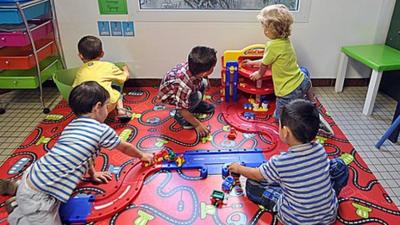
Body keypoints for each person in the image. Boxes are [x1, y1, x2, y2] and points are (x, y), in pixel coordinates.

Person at [8, 81, 154, 225]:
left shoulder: (72, 125)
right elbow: (125, 147)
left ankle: (20, 200)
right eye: (107, 105)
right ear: (98, 107)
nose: (108, 110)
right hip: (40, 197)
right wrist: (142, 155)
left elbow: (84, 155)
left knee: (31, 201)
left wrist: (92, 173)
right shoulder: (101, 130)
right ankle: (20, 212)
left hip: (34, 175)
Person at [228, 99, 348, 225]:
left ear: (285, 132)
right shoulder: (320, 149)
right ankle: (323, 198)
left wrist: (239, 168)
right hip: (328, 216)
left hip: (295, 219)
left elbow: (257, 174)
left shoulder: (281, 162)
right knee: (339, 165)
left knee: (252, 184)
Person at [244, 4, 316, 120]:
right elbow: (269, 59)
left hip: (288, 91)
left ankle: (307, 117)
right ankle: (312, 103)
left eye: (264, 26)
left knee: (279, 117)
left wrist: (259, 74)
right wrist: (251, 63)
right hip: (303, 80)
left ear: (270, 29)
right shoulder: (285, 40)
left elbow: (265, 64)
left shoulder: (271, 45)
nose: (264, 29)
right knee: (304, 74)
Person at [158, 46, 217, 137]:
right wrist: (198, 125)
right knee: (197, 96)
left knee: (203, 83)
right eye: (212, 68)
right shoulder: (184, 84)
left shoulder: (195, 68)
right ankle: (180, 117)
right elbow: (182, 109)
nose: (213, 68)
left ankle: (196, 105)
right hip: (172, 95)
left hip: (184, 89)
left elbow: (202, 76)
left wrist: (207, 80)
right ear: (205, 72)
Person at [73, 35, 131, 122]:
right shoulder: (108, 66)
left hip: (85, 108)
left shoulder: (80, 71)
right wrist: (125, 70)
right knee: (117, 88)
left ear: (80, 56)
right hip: (106, 105)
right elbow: (123, 78)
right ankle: (121, 109)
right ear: (102, 53)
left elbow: (75, 88)